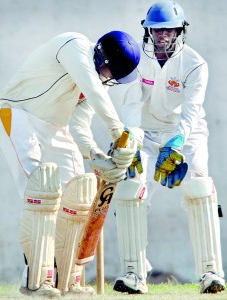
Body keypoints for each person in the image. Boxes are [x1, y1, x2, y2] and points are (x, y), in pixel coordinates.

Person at [0, 30, 142, 298]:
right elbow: (95, 91)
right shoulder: (74, 46)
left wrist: (100, 159)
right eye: (108, 71)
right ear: (100, 56)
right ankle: (38, 281)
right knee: (42, 196)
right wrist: (119, 133)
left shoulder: (96, 82)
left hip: (56, 129)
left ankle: (68, 280)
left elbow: (79, 126)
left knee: (79, 196)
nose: (107, 78)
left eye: (112, 76)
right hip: (17, 116)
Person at [111, 0, 225, 295]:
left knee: (199, 188)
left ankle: (210, 272)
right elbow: (133, 103)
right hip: (146, 133)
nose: (162, 36)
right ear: (148, 31)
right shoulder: (137, 57)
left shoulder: (195, 63)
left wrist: (177, 143)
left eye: (169, 30)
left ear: (179, 30)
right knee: (130, 190)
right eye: (157, 30)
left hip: (186, 134)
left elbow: (191, 110)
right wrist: (132, 140)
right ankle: (134, 273)